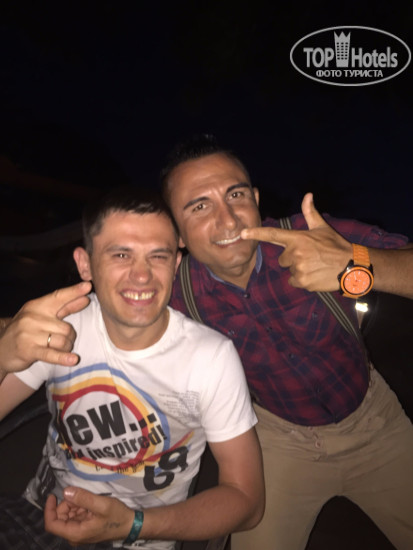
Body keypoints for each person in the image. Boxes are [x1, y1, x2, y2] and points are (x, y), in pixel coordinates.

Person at [158, 134, 413, 550]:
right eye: (199, 207)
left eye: (235, 195)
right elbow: (102, 322)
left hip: (375, 423)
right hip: (278, 440)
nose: (228, 220)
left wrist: (355, 266)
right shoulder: (175, 292)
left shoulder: (316, 236)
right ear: (177, 234)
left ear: (255, 199)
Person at [0, 187, 264, 550]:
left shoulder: (210, 359)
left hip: (141, 538)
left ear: (175, 265)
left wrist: (132, 525)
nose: (141, 276)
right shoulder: (62, 326)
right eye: (121, 254)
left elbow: (247, 500)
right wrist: (2, 355)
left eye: (158, 256)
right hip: (41, 517)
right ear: (85, 264)